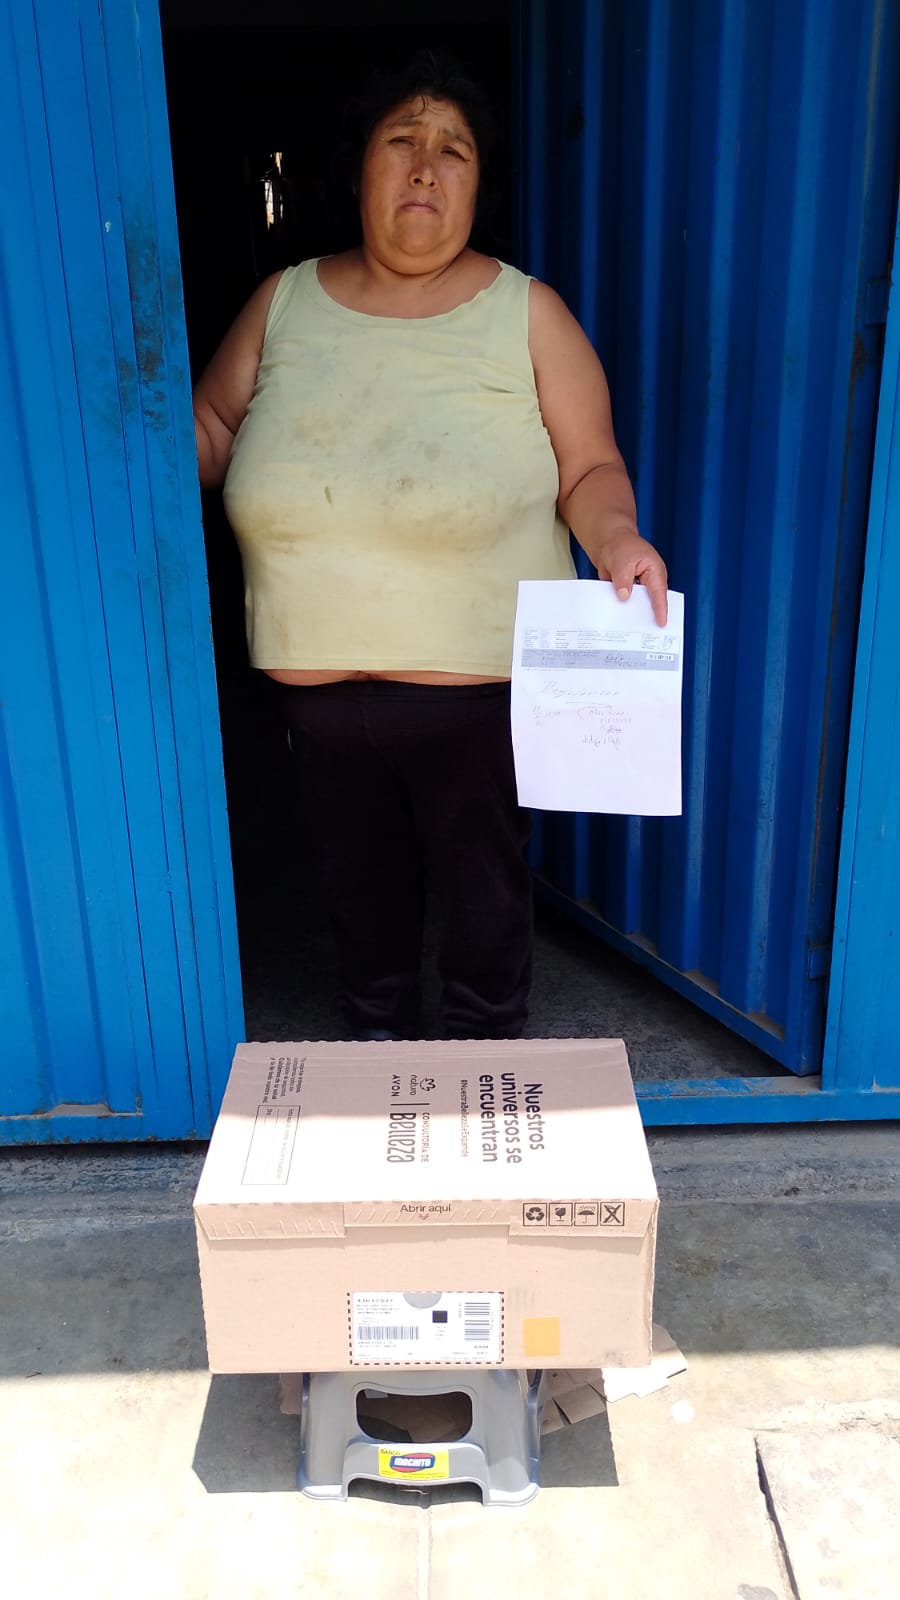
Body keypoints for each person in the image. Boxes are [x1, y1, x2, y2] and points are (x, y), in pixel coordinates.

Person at [193, 51, 668, 1043]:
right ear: (358, 169)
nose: (425, 166)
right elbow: (209, 432)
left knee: (482, 899)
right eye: (401, 141)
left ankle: (482, 1058)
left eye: (454, 150)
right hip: (318, 702)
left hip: (475, 703)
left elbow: (588, 466)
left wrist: (618, 538)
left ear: (478, 186)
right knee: (355, 893)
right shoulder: (283, 302)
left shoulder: (525, 311)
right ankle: (377, 1045)